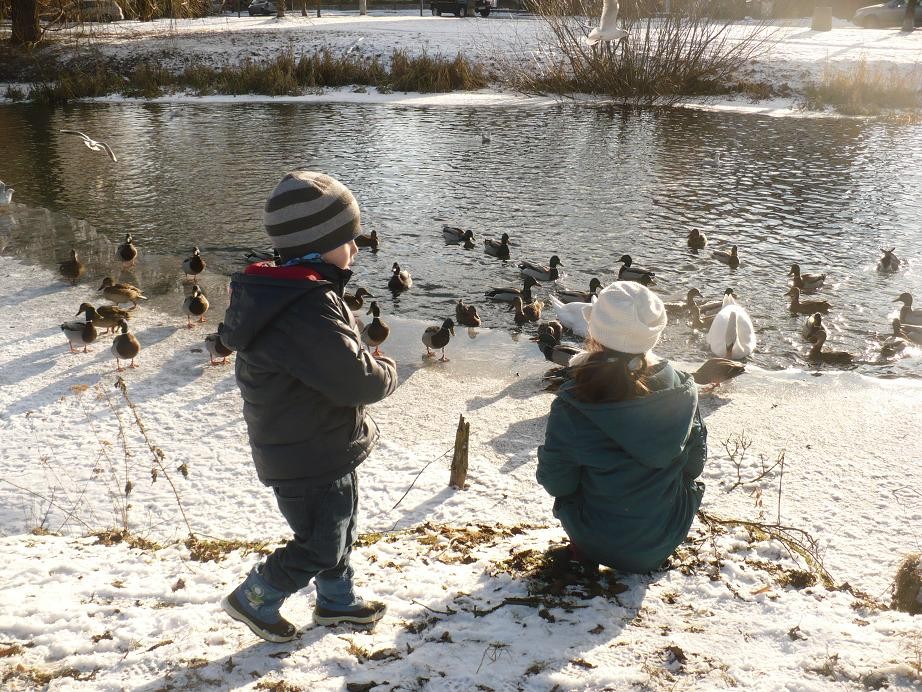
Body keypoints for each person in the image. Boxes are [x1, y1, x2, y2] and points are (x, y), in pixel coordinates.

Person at [219, 171, 398, 642]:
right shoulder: (306, 306)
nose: (356, 250)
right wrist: (388, 371)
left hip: (309, 443)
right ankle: (255, 596)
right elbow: (355, 379)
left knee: (338, 529)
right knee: (321, 542)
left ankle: (337, 602)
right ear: (319, 247)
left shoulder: (284, 293)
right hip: (310, 453)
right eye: (348, 240)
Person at [536, 281, 707, 574]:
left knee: (568, 482)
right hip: (665, 536)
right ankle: (644, 543)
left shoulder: (574, 402)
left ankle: (586, 549)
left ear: (595, 333)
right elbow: (694, 467)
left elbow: (556, 482)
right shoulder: (682, 389)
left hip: (596, 540)